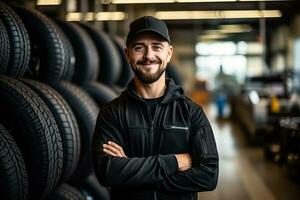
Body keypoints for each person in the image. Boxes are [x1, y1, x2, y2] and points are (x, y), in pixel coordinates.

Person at [92, 16, 219, 200]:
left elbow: (208, 176)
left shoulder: (191, 112)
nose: (148, 55)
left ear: (168, 53)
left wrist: (131, 173)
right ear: (128, 54)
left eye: (157, 47)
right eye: (139, 47)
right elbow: (107, 172)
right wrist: (174, 162)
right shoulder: (112, 113)